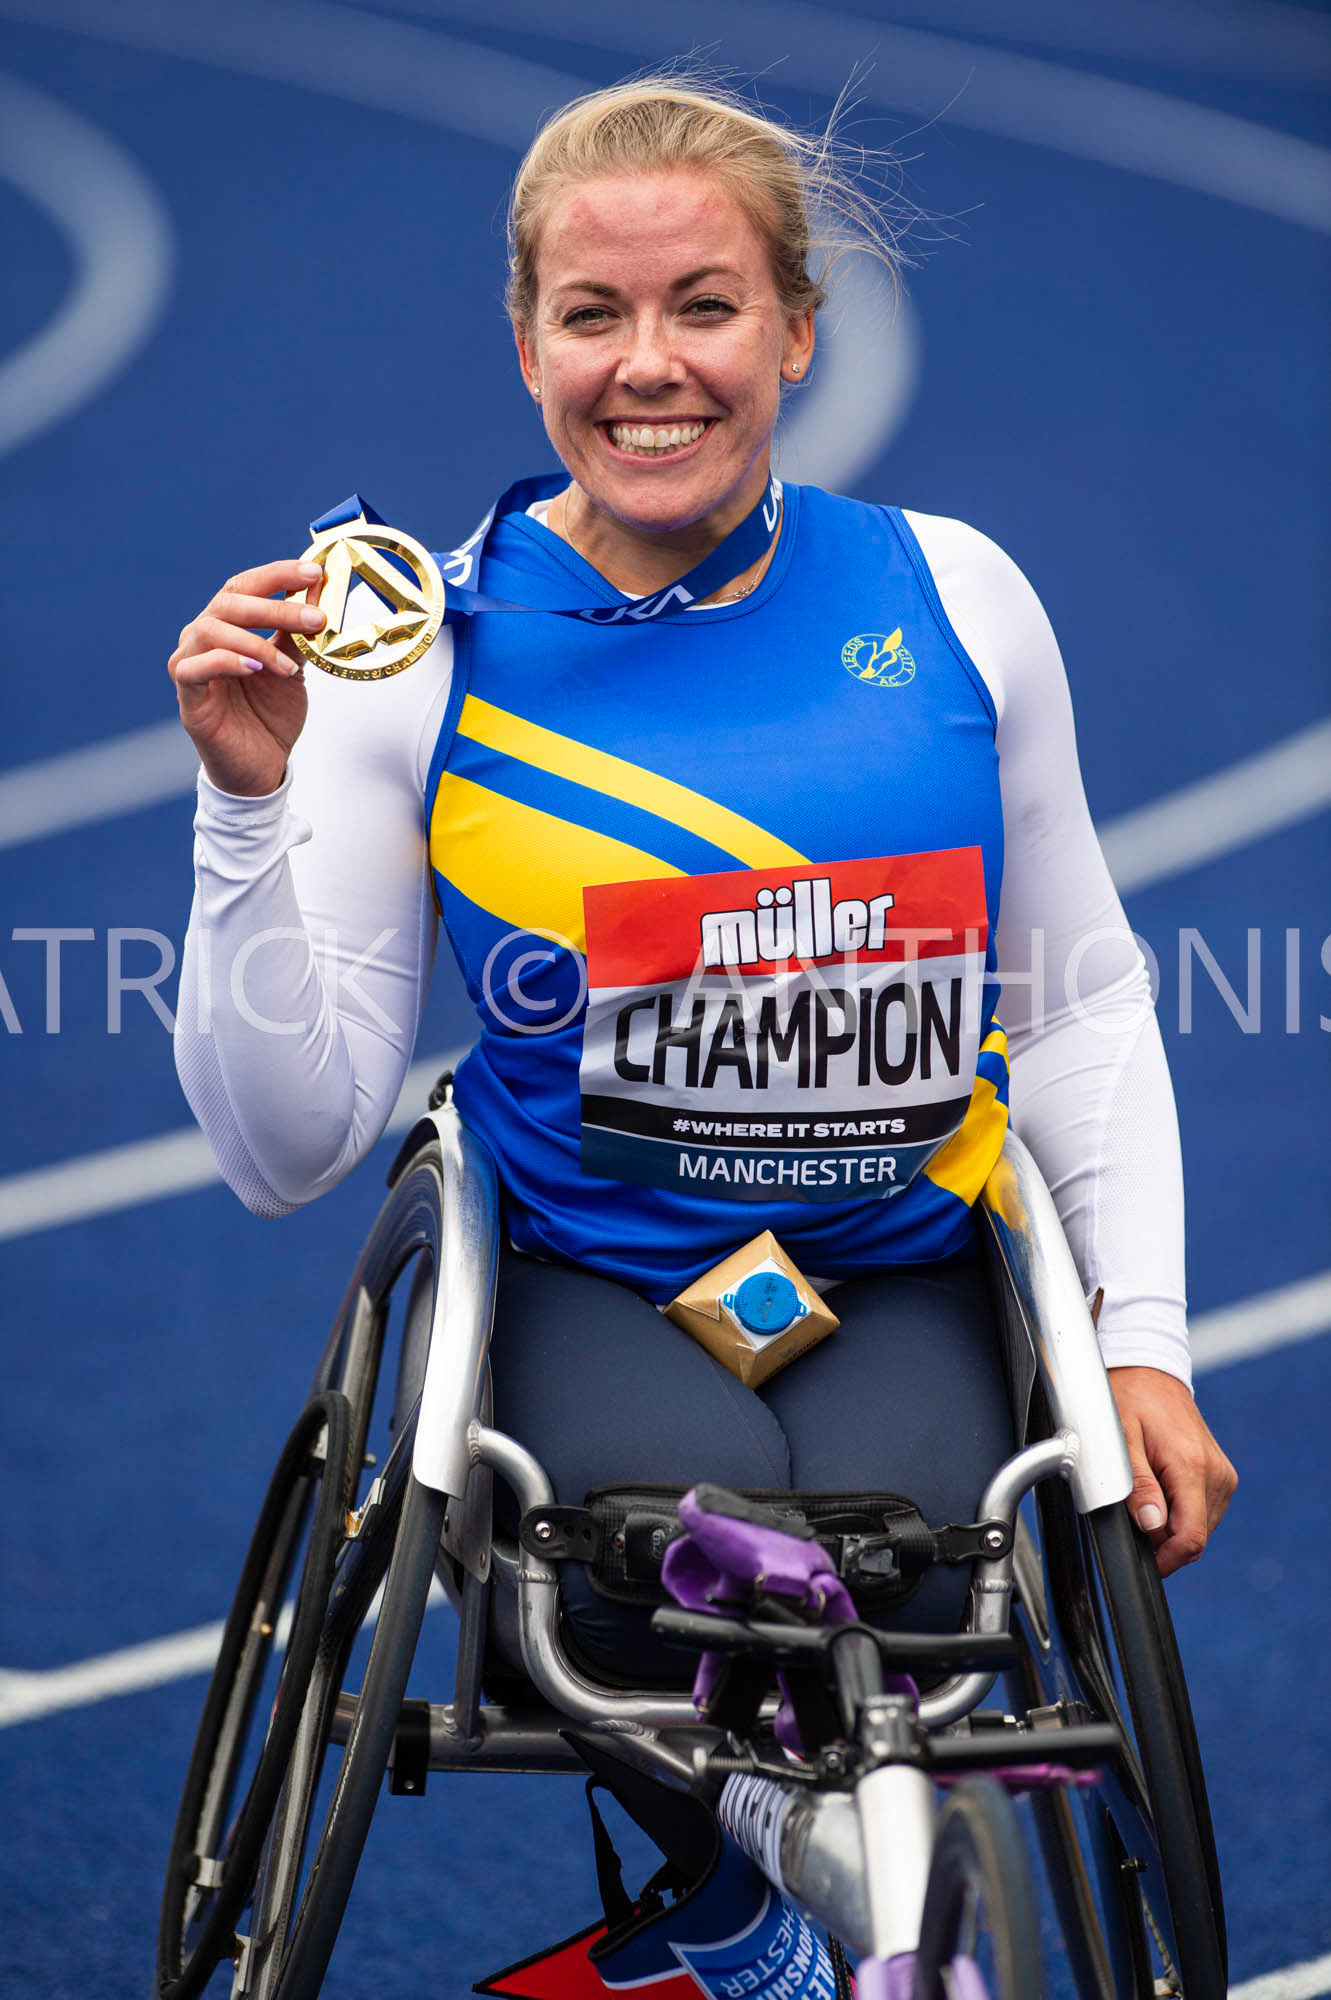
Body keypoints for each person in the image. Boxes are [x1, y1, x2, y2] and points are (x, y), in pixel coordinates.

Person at [168, 72, 1234, 1972]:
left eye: (706, 306)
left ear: (798, 331)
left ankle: (763, 1902)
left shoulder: (959, 598)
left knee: (908, 1588)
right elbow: (285, 1148)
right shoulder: (414, 655)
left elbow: (1075, 1007)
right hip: (593, 1285)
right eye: (594, 315)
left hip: (901, 1274)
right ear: (526, 345)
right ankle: (791, 1906)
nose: (648, 367)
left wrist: (1139, 1348)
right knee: (674, 1589)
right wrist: (249, 804)